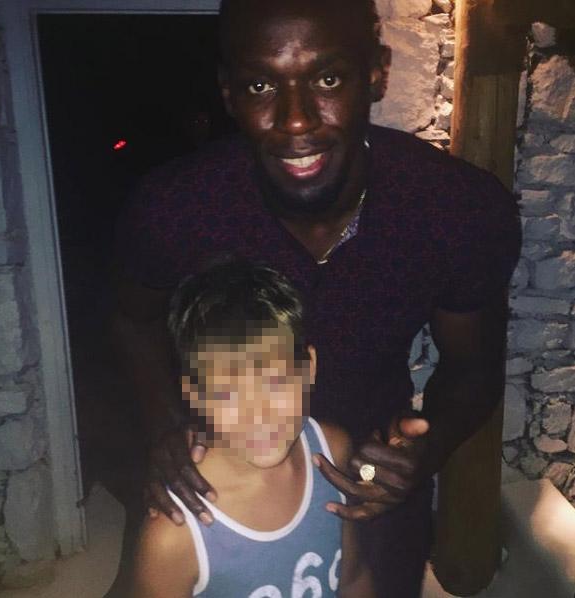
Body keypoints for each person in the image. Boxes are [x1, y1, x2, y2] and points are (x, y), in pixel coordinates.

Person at [113, 0, 521, 595]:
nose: (297, 120)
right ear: (228, 93)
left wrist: (425, 449)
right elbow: (133, 320)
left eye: (328, 79)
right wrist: (165, 429)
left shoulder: (455, 209)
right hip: (219, 469)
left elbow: (474, 366)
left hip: (373, 479)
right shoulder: (176, 208)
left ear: (376, 72)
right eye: (261, 85)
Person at [131, 259, 375, 597]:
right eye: (227, 393)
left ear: (309, 368)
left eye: (275, 383)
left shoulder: (332, 450)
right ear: (194, 395)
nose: (258, 414)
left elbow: (353, 576)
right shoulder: (172, 536)